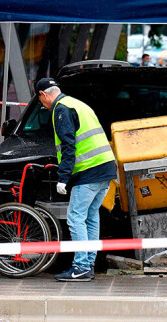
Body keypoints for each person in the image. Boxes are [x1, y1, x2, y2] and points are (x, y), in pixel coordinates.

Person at [36, 78, 117, 282]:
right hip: (105, 167)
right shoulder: (76, 103)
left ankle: (80, 266)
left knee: (75, 217)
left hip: (89, 171)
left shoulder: (61, 109)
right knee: (90, 216)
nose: (42, 105)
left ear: (44, 94)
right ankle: (88, 264)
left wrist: (63, 178)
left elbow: (68, 146)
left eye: (40, 100)